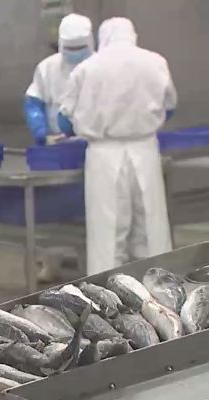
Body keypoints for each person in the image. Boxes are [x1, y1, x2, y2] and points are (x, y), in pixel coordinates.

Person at [59, 17, 177, 274]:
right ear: (132, 35)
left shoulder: (87, 69)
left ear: (101, 38)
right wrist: (139, 121)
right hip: (145, 150)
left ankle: (109, 289)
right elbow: (169, 107)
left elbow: (64, 120)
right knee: (150, 227)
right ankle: (159, 286)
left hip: (103, 155)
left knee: (107, 232)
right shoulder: (155, 62)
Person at [24, 13, 94, 282]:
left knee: (85, 210)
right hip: (56, 150)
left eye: (80, 48)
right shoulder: (47, 68)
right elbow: (33, 102)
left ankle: (88, 265)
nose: (74, 54)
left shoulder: (99, 67)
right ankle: (50, 263)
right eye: (70, 48)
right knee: (51, 208)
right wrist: (41, 131)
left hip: (88, 148)